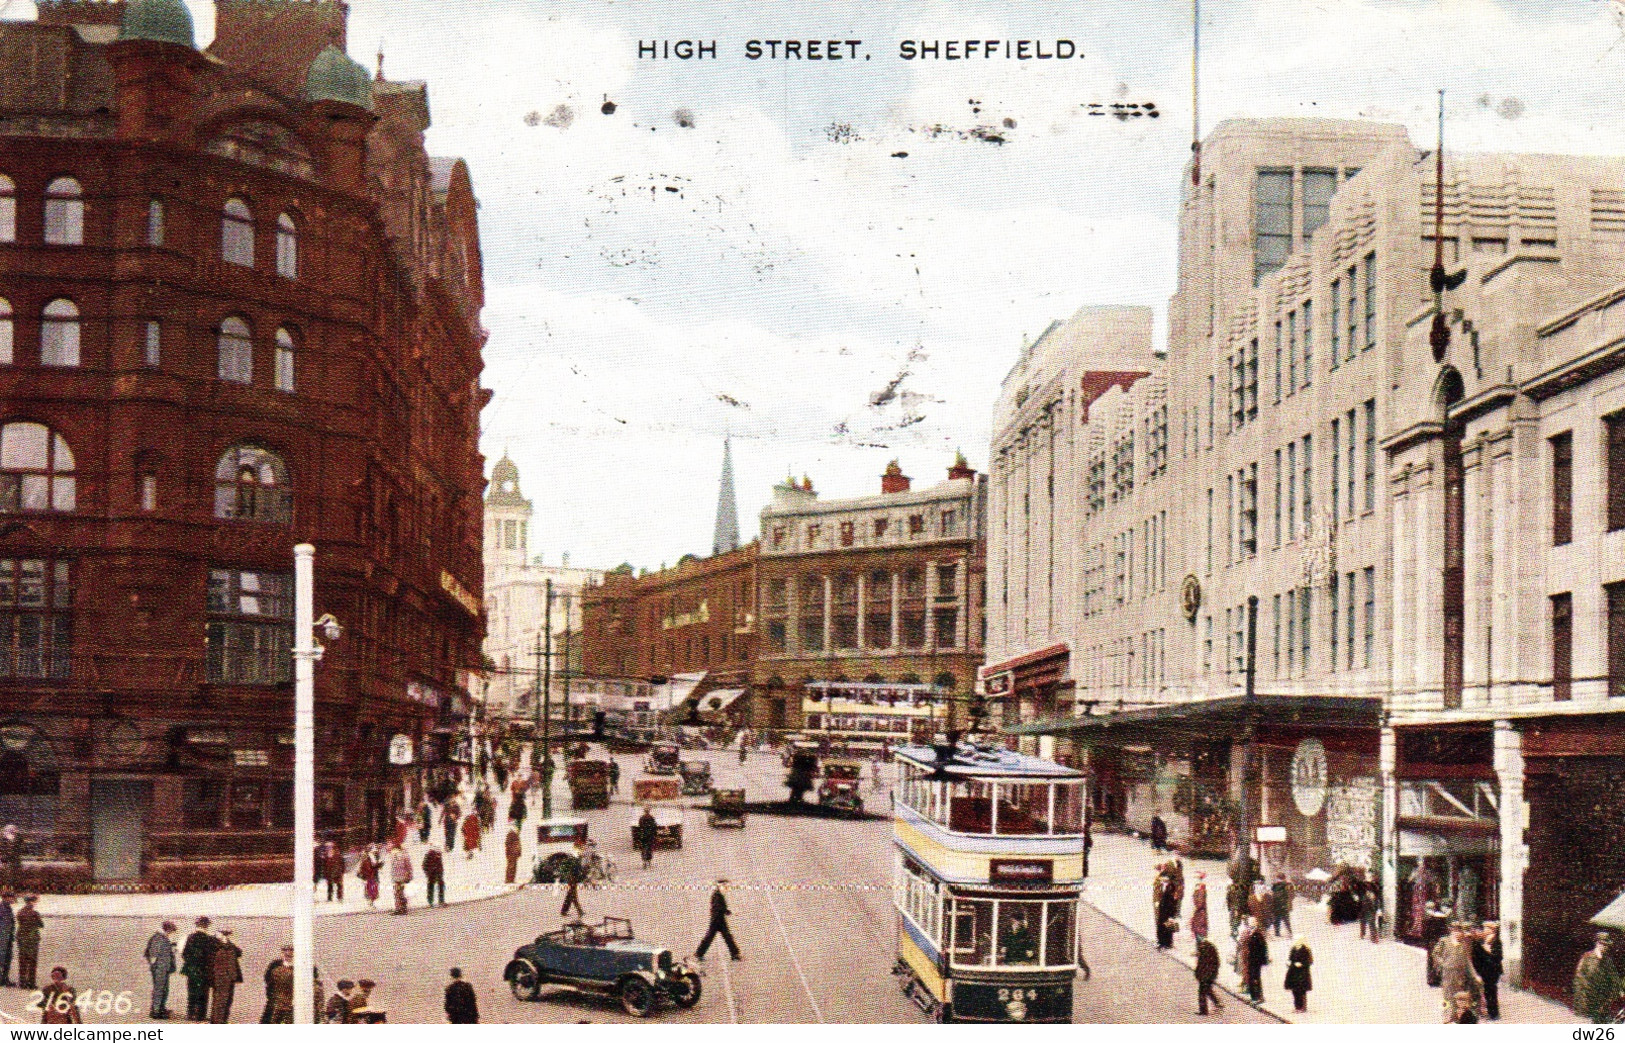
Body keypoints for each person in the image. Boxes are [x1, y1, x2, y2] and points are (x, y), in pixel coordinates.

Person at [1435, 922, 1485, 1023]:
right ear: (1452, 931)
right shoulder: (1444, 941)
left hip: (1460, 975)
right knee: (1447, 996)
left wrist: (1475, 975)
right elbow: (1435, 953)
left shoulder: (1462, 945)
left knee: (1458, 996)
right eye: (1455, 931)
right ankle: (1446, 1015)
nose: (1458, 933)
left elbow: (1467, 962)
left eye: (1459, 931)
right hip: (1448, 974)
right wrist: (1443, 964)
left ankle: (1456, 1016)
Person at [1574, 931, 1623, 1024]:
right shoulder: (1587, 957)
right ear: (1597, 943)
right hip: (1585, 1002)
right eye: (1603, 944)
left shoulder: (1608, 962)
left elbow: (1615, 982)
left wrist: (1608, 1000)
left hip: (1600, 1006)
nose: (1605, 947)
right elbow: (1579, 978)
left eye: (1606, 945)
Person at [180, 917, 216, 1021]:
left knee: (191, 991)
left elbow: (184, 953)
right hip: (204, 970)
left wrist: (191, 962)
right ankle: (200, 1015)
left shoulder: (190, 937)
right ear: (207, 926)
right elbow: (211, 957)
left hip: (191, 969)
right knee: (203, 993)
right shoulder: (209, 939)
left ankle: (190, 1014)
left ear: (197, 925)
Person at [695, 879, 741, 960]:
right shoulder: (717, 895)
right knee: (724, 937)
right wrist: (727, 912)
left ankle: (699, 953)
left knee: (721, 937)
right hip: (717, 920)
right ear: (720, 886)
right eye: (725, 886)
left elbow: (720, 908)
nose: (726, 887)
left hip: (718, 919)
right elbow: (719, 908)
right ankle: (735, 954)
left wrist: (726, 912)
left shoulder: (718, 894)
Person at [208, 927, 243, 1024]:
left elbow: (239, 952)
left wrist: (227, 942)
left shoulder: (229, 945)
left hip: (230, 976)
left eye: (226, 934)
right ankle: (218, 1021)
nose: (225, 936)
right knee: (221, 1000)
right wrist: (224, 942)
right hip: (220, 976)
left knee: (227, 1000)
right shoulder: (214, 944)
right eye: (224, 934)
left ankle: (220, 1020)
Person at [143, 921, 177, 1019]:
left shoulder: (161, 937)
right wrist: (156, 967)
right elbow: (153, 955)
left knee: (164, 989)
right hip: (160, 969)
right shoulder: (158, 938)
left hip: (162, 968)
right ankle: (156, 1011)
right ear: (168, 930)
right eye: (171, 931)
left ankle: (161, 1008)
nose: (171, 933)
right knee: (159, 989)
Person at [260, 945, 295, 1024]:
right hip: (276, 1000)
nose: (288, 953)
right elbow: (268, 980)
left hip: (292, 1001)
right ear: (282, 952)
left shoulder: (300, 966)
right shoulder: (275, 965)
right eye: (285, 950)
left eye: (291, 950)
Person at [15, 894, 41, 990]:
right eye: (35, 901)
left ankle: (22, 982)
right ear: (31, 901)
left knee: (23, 960)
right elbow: (40, 924)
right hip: (32, 939)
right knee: (32, 961)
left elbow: (20, 922)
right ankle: (31, 982)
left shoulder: (20, 912)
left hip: (22, 938)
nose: (36, 903)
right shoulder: (35, 913)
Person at [1194, 935, 1223, 1015]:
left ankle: (1203, 1011)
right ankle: (1217, 1003)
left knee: (1202, 992)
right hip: (1211, 974)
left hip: (1205, 975)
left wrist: (1198, 973)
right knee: (1208, 990)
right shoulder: (1212, 948)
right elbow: (1217, 962)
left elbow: (1201, 964)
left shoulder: (1203, 949)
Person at [1242, 915, 1268, 1004]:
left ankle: (1259, 996)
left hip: (1256, 960)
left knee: (1256, 978)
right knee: (1251, 977)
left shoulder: (1258, 934)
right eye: (1249, 922)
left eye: (1252, 922)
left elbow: (1263, 948)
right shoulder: (1250, 932)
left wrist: (1263, 960)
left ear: (1255, 923)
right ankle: (1253, 997)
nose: (1250, 924)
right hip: (1250, 959)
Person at [1284, 936, 1313, 1012]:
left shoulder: (1306, 950)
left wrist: (1302, 964)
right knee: (1294, 990)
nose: (1296, 941)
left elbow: (1310, 961)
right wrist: (1288, 962)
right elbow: (1290, 958)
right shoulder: (1293, 949)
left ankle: (1303, 1007)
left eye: (1297, 940)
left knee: (1301, 990)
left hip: (1302, 973)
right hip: (1293, 972)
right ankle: (1297, 1007)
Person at [389, 842, 414, 915]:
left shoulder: (397, 855)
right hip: (400, 877)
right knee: (399, 892)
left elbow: (408, 867)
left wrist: (409, 875)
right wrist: (409, 875)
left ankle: (400, 908)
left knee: (398, 893)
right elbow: (409, 867)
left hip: (399, 877)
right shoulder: (400, 855)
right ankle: (401, 908)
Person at [560, 850, 585, 919]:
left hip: (572, 879)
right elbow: (576, 871)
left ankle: (564, 910)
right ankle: (579, 911)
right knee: (573, 895)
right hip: (572, 879)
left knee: (570, 895)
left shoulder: (572, 861)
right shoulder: (574, 861)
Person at [0, 890, 15, 987]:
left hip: (7, 937)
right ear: (5, 898)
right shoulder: (2, 908)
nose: (13, 899)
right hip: (2, 938)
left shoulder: (7, 908)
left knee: (7, 958)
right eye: (11, 897)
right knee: (2, 959)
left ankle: (5, 979)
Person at [1189, 872, 1210, 941]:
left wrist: (1194, 910)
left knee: (1199, 931)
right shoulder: (1200, 888)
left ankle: (1200, 947)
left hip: (1199, 914)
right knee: (1198, 931)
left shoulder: (1200, 890)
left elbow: (1199, 903)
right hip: (1200, 913)